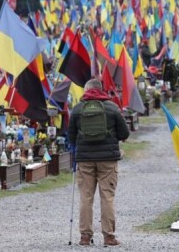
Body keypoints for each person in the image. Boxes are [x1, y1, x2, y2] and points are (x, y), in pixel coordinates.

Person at [67, 79, 130, 246]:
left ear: (87, 90)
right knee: (107, 197)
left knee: (86, 197)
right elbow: (124, 133)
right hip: (108, 160)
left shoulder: (78, 109)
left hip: (85, 161)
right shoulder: (112, 107)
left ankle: (85, 236)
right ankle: (109, 236)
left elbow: (70, 137)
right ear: (101, 90)